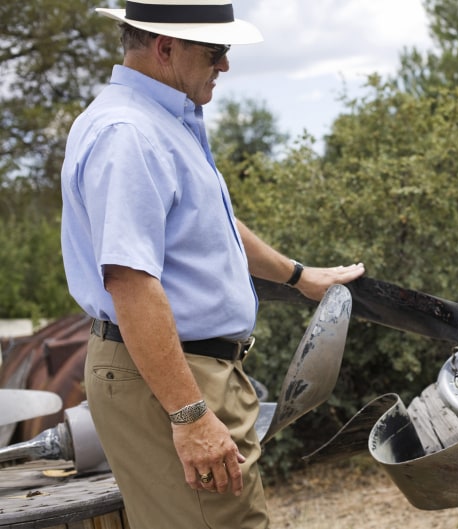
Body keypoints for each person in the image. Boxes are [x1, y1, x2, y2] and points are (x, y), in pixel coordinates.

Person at [60, 1, 365, 527]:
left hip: (181, 368)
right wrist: (190, 414)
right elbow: (130, 284)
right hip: (172, 375)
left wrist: (297, 276)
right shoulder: (129, 134)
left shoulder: (160, 120)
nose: (224, 65)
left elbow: (209, 227)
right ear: (165, 47)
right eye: (216, 51)